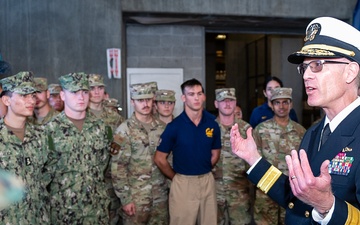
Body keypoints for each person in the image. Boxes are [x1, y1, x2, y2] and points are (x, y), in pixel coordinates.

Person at [230, 17, 360, 224]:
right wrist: (253, 159)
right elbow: (296, 198)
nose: (306, 75)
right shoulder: (314, 132)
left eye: (317, 65)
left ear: (350, 71)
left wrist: (327, 206)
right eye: (304, 67)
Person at [44, 72, 112, 224]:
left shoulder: (102, 129)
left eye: (85, 92)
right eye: (74, 92)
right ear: (62, 95)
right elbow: (45, 176)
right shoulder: (49, 131)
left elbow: (103, 166)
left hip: (97, 211)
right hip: (64, 212)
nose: (81, 97)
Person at [154, 78, 221, 225]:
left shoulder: (212, 125)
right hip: (183, 183)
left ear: (204, 96)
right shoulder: (174, 127)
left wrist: (202, 168)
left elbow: (215, 153)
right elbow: (159, 158)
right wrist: (176, 177)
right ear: (183, 98)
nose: (196, 98)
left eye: (199, 93)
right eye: (191, 94)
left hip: (207, 181)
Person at [111, 82, 168, 225]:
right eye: (140, 100)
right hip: (136, 199)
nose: (145, 104)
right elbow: (118, 168)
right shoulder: (124, 130)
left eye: (148, 100)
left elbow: (169, 160)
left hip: (160, 197)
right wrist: (126, 199)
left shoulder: (162, 128)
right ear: (132, 102)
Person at [0, 71, 49, 224]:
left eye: (33, 95)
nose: (31, 100)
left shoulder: (41, 136)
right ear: (7, 100)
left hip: (37, 218)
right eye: (23, 95)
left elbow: (47, 177)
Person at [252, 87, 306, 225]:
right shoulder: (260, 130)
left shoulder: (300, 132)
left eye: (285, 102)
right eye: (277, 102)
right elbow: (252, 161)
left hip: (292, 192)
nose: (281, 106)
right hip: (265, 191)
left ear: (291, 104)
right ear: (271, 104)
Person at [213, 88, 252, 225]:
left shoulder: (246, 129)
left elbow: (254, 162)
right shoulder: (208, 129)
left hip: (239, 194)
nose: (227, 104)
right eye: (223, 101)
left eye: (231, 100)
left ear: (235, 103)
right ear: (216, 104)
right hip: (214, 195)